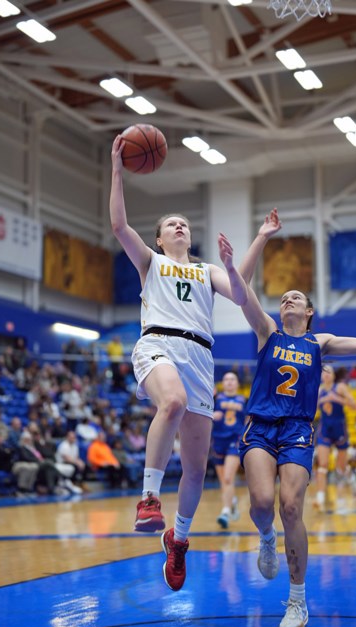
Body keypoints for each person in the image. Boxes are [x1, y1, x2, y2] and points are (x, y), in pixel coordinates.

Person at [233, 208, 356, 627]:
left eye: (296, 297)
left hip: (296, 431)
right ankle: (266, 539)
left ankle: (296, 600)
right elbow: (240, 287)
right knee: (259, 505)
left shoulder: (319, 341)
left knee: (291, 506)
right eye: (284, 296)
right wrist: (263, 236)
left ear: (309, 312)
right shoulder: (266, 332)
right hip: (261, 426)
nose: (287, 298)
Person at [109, 135, 249, 591]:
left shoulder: (207, 270)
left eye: (185, 223)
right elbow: (117, 226)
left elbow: (242, 294)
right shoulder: (149, 262)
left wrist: (247, 251)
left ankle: (180, 540)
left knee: (194, 467)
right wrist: (117, 167)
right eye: (172, 223)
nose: (180, 227)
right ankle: (148, 498)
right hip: (158, 346)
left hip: (200, 357)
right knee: (170, 403)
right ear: (159, 237)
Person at [313, 364, 356, 507]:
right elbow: (312, 411)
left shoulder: (340, 388)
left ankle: (350, 477)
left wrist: (337, 399)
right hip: (325, 429)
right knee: (323, 465)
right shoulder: (318, 391)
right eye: (323, 372)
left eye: (329, 372)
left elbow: (355, 406)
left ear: (333, 375)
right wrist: (321, 401)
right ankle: (319, 499)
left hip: (340, 429)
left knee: (341, 467)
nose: (326, 374)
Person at [211, 371, 247, 529]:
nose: (230, 382)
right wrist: (212, 415)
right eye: (226, 379)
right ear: (222, 383)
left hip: (235, 440)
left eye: (233, 379)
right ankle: (232, 502)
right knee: (223, 481)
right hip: (218, 440)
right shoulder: (216, 398)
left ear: (238, 383)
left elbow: (249, 420)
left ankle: (225, 512)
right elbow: (204, 413)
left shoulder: (244, 400)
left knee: (228, 478)